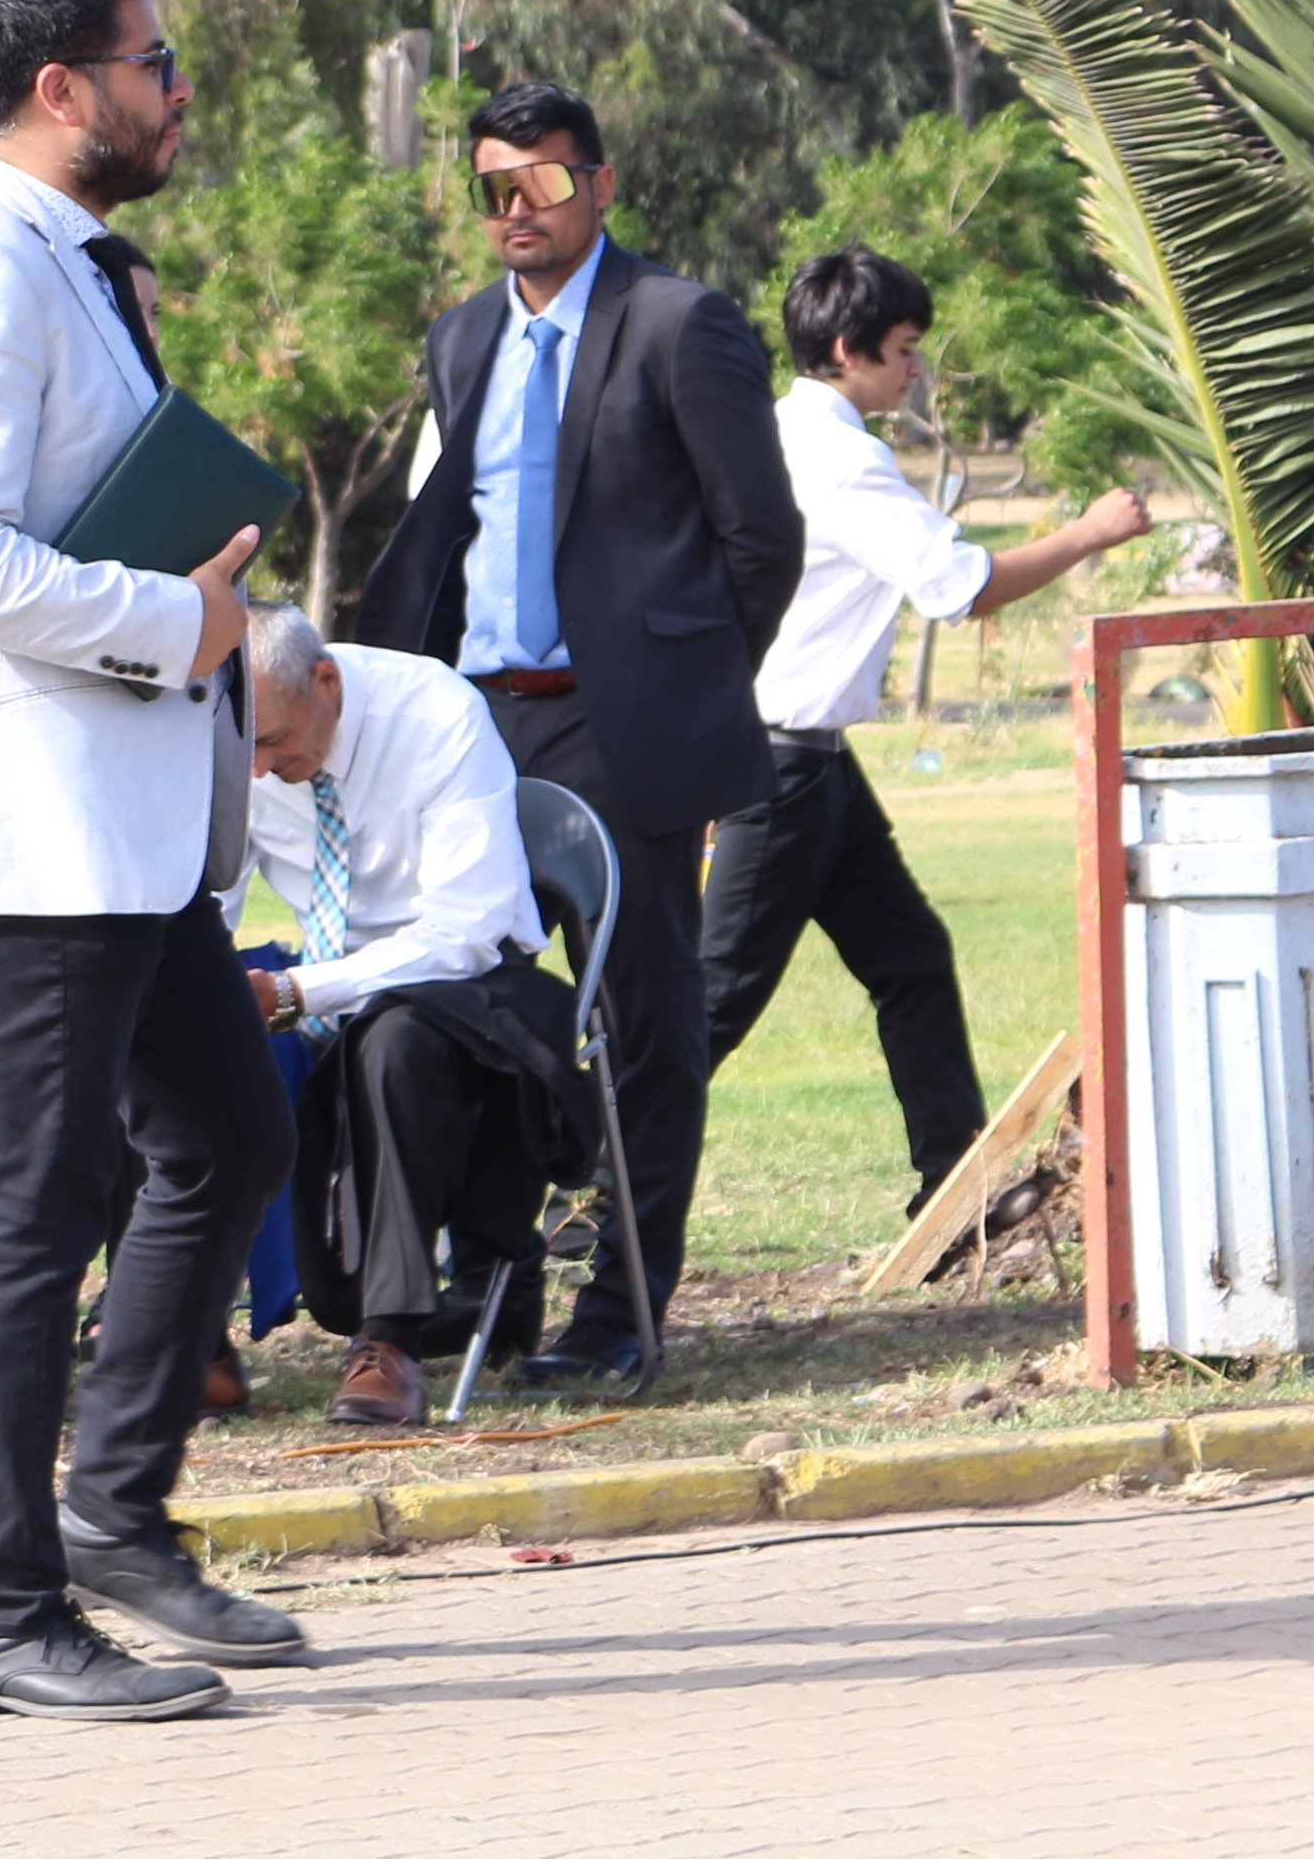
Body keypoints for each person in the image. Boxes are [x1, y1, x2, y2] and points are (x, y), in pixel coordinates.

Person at [0, 0, 295, 1721]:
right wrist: (171, 619)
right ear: (62, 89)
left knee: (227, 1138)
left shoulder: (65, 255)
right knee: (33, 1215)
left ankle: (113, 1514)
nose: (179, 89)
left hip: (119, 834)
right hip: (24, 834)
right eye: (155, 61)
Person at [359, 78, 802, 1389]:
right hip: (476, 727)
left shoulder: (679, 325)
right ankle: (492, 1290)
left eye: (545, 181)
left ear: (598, 185)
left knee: (644, 1022)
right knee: (466, 999)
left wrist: (679, 688)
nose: (520, 209)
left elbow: (762, 541)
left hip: (621, 729)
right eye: (495, 188)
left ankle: (621, 1312)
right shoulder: (460, 341)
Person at [712, 247, 1157, 1206]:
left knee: (910, 956)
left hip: (808, 760)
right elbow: (963, 589)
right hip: (779, 767)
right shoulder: (841, 460)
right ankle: (572, 1190)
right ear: (849, 349)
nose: (917, 370)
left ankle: (956, 1194)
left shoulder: (778, 429)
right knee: (711, 1001)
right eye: (906, 349)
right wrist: (1090, 533)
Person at [227, 607, 589, 1429]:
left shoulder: (433, 712)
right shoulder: (242, 740)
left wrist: (300, 992)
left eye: (273, 741)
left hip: (472, 988)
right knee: (165, 1028)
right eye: (243, 746)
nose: (257, 769)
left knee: (393, 1038)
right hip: (324, 982)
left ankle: (387, 1342)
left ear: (325, 682)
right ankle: (184, 1333)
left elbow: (463, 933)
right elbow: (209, 894)